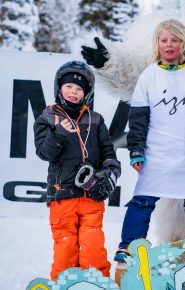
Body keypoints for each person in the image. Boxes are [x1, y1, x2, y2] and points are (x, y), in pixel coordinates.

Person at [114, 19, 185, 262]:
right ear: (157, 44)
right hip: (157, 156)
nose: (169, 45)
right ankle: (129, 248)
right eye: (164, 40)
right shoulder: (148, 77)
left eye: (174, 40)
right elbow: (138, 118)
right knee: (142, 202)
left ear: (183, 44)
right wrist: (136, 150)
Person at [34, 61, 121, 280]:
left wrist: (110, 173)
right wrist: (58, 133)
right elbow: (45, 153)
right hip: (62, 196)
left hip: (92, 195)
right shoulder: (47, 118)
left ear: (87, 93)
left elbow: (109, 153)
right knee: (65, 250)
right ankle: (64, 284)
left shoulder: (96, 120)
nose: (74, 92)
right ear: (59, 88)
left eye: (79, 89)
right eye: (69, 87)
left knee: (93, 249)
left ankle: (97, 284)